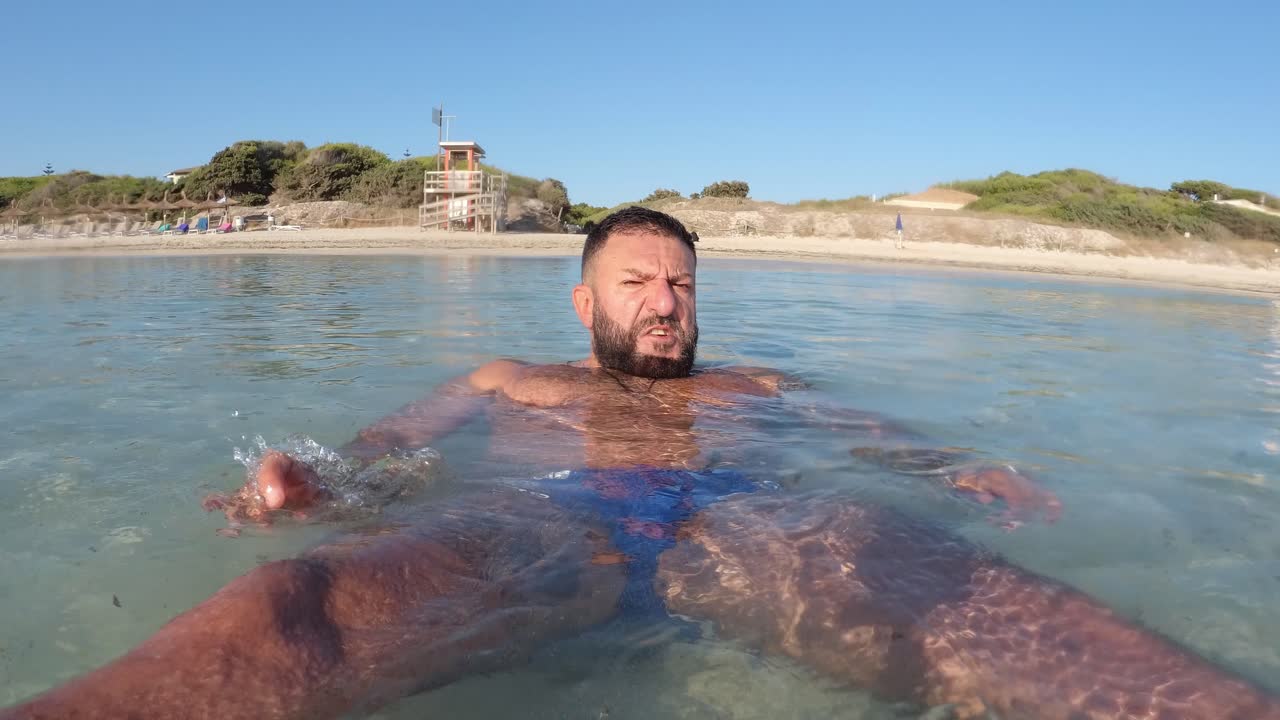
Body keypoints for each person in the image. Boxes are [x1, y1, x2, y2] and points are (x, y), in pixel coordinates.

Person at [4, 208, 1277, 720]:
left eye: (680, 280)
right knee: (292, 612)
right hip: (532, 527)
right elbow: (388, 450)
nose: (665, 301)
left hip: (753, 522)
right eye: (638, 281)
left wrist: (960, 468)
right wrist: (306, 485)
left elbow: (878, 443)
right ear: (581, 303)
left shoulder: (756, 385)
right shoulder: (508, 380)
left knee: (1005, 609)